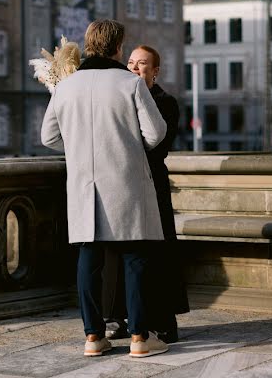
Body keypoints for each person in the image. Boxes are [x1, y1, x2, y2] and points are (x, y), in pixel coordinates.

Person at [41, 20, 170, 359]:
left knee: (89, 258)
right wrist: (127, 143)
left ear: (88, 45)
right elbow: (156, 134)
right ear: (118, 48)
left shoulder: (66, 87)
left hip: (84, 183)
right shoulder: (130, 83)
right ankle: (140, 337)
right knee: (135, 258)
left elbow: (49, 137)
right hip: (126, 181)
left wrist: (80, 147)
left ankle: (93, 336)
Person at [102, 45, 189, 343]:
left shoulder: (166, 102)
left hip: (152, 184)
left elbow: (156, 146)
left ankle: (163, 319)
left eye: (142, 64)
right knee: (118, 252)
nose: (135, 69)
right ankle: (118, 317)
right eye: (130, 63)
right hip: (124, 183)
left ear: (155, 71)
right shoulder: (121, 96)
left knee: (158, 252)